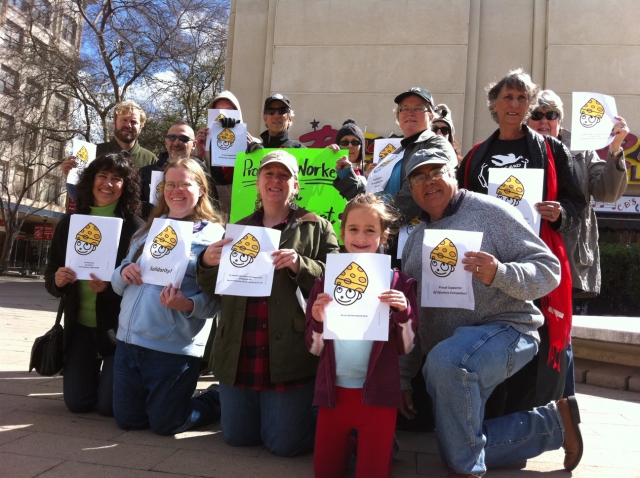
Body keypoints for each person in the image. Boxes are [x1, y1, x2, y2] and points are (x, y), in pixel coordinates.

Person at [400, 148, 583, 478]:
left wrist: (499, 273)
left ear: (452, 174)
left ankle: (469, 470)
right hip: (452, 354)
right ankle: (553, 425)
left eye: (436, 172)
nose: (428, 182)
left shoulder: (491, 211)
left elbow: (548, 269)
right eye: (418, 177)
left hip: (510, 330)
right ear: (411, 189)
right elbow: (414, 320)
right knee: (454, 446)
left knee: (447, 364)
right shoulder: (414, 242)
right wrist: (403, 377)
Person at [457, 68, 586, 414]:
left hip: (535, 259)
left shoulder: (552, 150)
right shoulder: (475, 156)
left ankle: (540, 417)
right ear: (494, 105)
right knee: (494, 334)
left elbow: (578, 204)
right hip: (488, 263)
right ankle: (494, 415)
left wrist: (560, 214)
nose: (515, 104)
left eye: (522, 98)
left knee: (540, 340)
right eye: (507, 97)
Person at [197, 150, 340, 456]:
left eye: (284, 175)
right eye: (269, 174)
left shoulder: (317, 227)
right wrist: (207, 264)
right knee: (238, 438)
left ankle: (328, 419)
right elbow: (213, 290)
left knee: (284, 445)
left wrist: (302, 265)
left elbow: (337, 277)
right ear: (258, 183)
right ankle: (221, 396)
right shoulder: (237, 229)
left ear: (296, 184)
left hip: (288, 351)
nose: (276, 180)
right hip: (241, 347)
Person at [306, 193, 418, 478]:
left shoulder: (398, 284)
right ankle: (357, 443)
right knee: (324, 472)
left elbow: (407, 346)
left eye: (371, 230)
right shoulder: (324, 281)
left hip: (378, 396)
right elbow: (314, 349)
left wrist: (403, 312)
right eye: (353, 229)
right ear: (342, 232)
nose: (361, 236)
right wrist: (318, 322)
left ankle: (378, 445)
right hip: (334, 394)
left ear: (384, 236)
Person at [110, 158, 224, 435]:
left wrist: (186, 304)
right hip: (128, 342)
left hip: (172, 349)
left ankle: (218, 398)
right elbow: (117, 283)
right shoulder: (148, 229)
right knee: (128, 421)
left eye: (185, 184)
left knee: (168, 424)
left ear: (200, 190)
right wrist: (124, 273)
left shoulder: (214, 237)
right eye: (170, 184)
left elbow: (217, 301)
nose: (176, 191)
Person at [527, 89, 629, 397]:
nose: (544, 122)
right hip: (525, 256)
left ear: (560, 120)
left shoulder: (581, 151)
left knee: (560, 336)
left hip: (566, 258)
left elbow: (608, 192)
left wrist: (614, 149)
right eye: (538, 115)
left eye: (551, 115)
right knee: (527, 332)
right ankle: (530, 405)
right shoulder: (517, 151)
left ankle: (563, 408)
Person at [45, 152, 144, 416]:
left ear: (126, 186)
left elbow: (143, 284)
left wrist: (110, 289)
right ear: (91, 180)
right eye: (102, 176)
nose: (108, 184)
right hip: (79, 328)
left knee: (107, 407)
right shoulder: (70, 223)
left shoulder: (137, 228)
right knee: (77, 404)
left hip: (117, 331)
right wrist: (57, 280)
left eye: (116, 179)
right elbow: (50, 275)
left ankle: (116, 382)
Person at [366, 87, 457, 221]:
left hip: (418, 231)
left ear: (431, 116)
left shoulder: (437, 144)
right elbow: (373, 194)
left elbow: (416, 190)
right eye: (405, 108)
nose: (410, 113)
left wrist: (382, 221)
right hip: (388, 233)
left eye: (418, 108)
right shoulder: (394, 155)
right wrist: (347, 177)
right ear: (398, 116)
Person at [62, 101, 158, 201]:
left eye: (134, 122)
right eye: (124, 120)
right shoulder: (93, 153)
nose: (128, 125)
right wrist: (69, 175)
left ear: (141, 127)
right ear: (114, 124)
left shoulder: (151, 160)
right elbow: (78, 194)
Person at [194, 90, 263, 216]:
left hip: (246, 211)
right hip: (214, 212)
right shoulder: (205, 144)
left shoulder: (254, 143)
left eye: (229, 110)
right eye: (219, 111)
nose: (224, 115)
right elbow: (196, 179)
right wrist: (201, 153)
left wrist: (253, 149)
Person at [139, 121, 216, 220]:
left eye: (184, 138)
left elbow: (210, 211)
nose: (176, 142)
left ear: (194, 144)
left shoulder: (204, 178)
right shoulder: (144, 173)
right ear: (166, 141)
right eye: (172, 137)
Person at [327, 119, 367, 200]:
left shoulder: (368, 177)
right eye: (344, 143)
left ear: (361, 148)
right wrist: (324, 159)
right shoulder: (327, 169)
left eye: (355, 142)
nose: (349, 146)